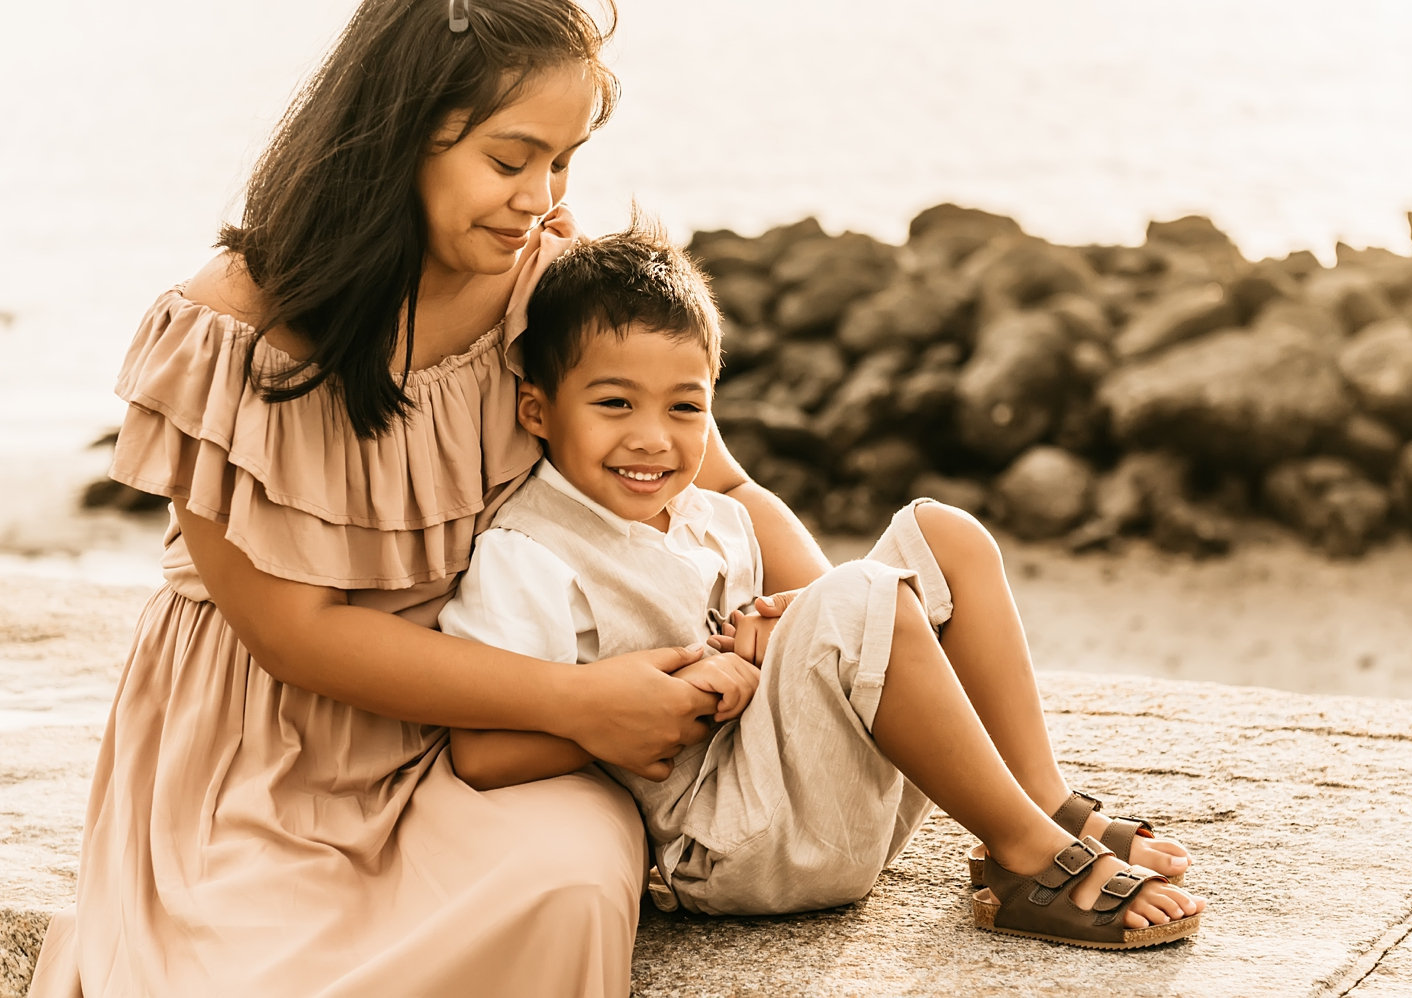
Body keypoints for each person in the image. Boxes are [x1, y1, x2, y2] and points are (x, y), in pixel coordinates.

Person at [26, 3, 832, 996]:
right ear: (399, 133)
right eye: (510, 160)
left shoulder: (544, 286)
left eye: (565, 162)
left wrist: (819, 617)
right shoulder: (235, 321)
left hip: (487, 732)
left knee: (572, 882)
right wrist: (580, 700)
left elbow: (722, 482)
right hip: (269, 746)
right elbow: (297, 637)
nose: (540, 198)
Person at [436, 217, 1208, 947]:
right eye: (614, 405)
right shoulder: (531, 553)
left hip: (813, 793)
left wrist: (780, 631)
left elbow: (815, 628)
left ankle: (1039, 801)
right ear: (537, 411)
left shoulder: (709, 516)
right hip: (727, 843)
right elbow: (482, 754)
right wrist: (686, 699)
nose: (652, 438)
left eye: (685, 409)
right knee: (858, 594)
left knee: (943, 533)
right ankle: (1030, 857)